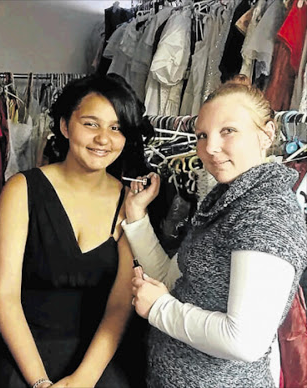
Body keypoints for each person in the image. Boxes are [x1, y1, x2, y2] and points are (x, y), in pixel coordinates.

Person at [123, 75, 307, 388]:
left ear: (267, 134)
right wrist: (137, 217)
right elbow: (175, 281)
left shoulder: (266, 212)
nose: (210, 147)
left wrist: (158, 307)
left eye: (228, 131)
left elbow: (244, 340)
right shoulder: (226, 200)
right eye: (202, 135)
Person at [0, 73, 154, 388]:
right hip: (25, 358)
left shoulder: (129, 201)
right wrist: (39, 382)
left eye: (116, 128)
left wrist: (82, 380)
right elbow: (4, 293)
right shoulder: (22, 190)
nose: (103, 139)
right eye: (91, 124)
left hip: (98, 362)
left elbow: (120, 304)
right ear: (66, 126)